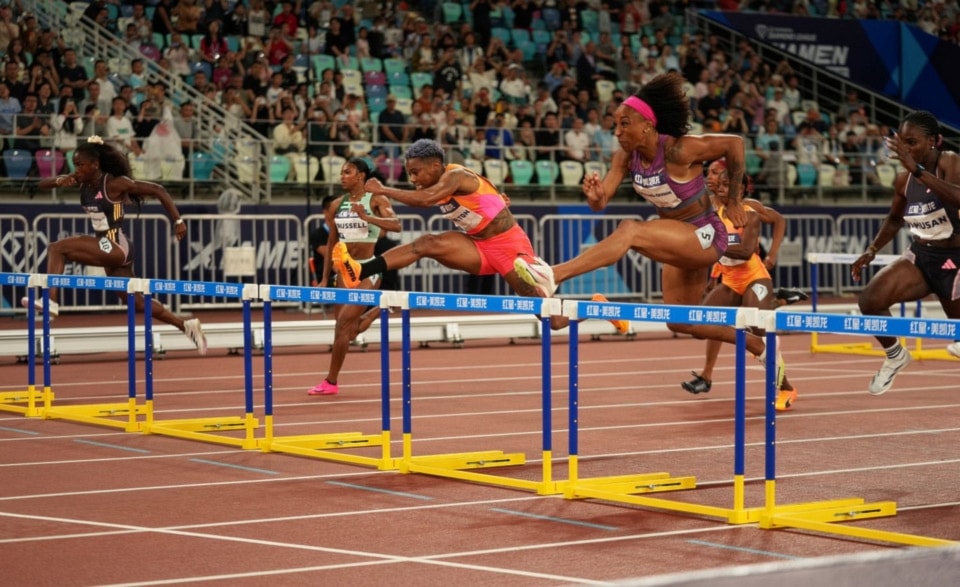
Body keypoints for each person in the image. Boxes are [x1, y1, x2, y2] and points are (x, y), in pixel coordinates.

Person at [513, 73, 785, 382]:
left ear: (648, 125)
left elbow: (734, 145)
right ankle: (757, 346)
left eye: (624, 124)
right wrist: (596, 197)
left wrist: (735, 199)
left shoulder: (679, 150)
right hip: (677, 240)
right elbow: (602, 203)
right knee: (682, 321)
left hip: (706, 235)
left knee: (631, 229)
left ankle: (553, 275)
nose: (617, 132)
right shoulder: (625, 157)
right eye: (615, 124)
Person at [330, 139, 623, 333]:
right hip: (478, 244)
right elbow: (481, 188)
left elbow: (427, 199)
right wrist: (498, 196)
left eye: (416, 172)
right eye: (409, 173)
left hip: (509, 247)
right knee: (427, 243)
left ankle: (597, 303)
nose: (413, 179)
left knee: (555, 321)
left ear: (436, 166)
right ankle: (361, 269)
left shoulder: (454, 176)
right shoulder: (455, 178)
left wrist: (383, 190)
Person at [22, 136, 207, 355]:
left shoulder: (114, 183)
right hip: (107, 246)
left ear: (95, 165)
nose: (76, 168)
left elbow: (159, 190)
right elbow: (45, 184)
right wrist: (60, 180)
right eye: (74, 164)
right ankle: (185, 325)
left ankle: (50, 301)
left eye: (80, 164)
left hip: (115, 243)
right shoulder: (81, 180)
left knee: (57, 247)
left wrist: (177, 221)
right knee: (136, 302)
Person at [850, 110, 960, 395]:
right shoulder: (903, 180)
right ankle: (896, 355)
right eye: (903, 142)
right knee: (870, 301)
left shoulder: (949, 162)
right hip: (922, 257)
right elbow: (895, 219)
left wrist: (917, 170)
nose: (906, 149)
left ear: (934, 141)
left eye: (912, 142)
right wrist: (872, 249)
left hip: (956, 260)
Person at [682, 163, 799, 411]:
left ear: (739, 189)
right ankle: (707, 375)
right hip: (730, 279)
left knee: (755, 330)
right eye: (718, 184)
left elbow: (746, 251)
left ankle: (787, 387)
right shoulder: (710, 207)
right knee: (701, 325)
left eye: (727, 185)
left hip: (755, 277)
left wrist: (773, 253)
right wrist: (713, 274)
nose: (721, 189)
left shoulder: (750, 211)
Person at [308, 158, 402, 396]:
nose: (342, 176)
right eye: (341, 172)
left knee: (342, 326)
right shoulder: (338, 205)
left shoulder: (377, 199)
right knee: (346, 332)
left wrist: (367, 217)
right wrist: (324, 277)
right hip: (343, 272)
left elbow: (396, 225)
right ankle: (378, 311)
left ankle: (330, 382)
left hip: (368, 269)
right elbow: (332, 243)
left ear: (360, 175)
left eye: (347, 172)